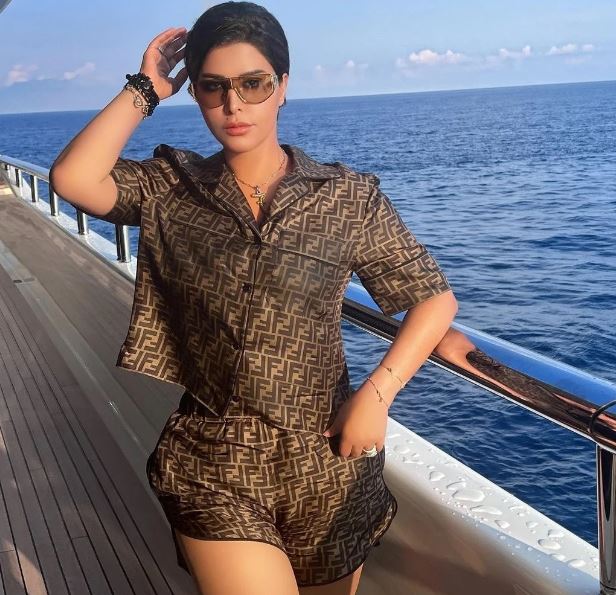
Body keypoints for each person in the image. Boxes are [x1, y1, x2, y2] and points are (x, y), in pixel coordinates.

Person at [49, 2, 458, 594]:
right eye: (213, 86)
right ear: (196, 93)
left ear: (282, 86)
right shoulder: (173, 187)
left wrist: (377, 394)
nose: (233, 104)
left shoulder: (346, 197)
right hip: (212, 458)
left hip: (326, 460)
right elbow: (73, 179)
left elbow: (432, 300)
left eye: (253, 84)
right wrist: (146, 88)